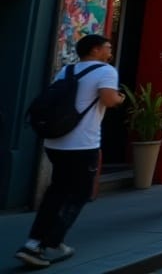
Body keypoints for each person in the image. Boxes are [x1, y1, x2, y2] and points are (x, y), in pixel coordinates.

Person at [15, 34, 123, 268]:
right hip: (83, 143)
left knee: (57, 191)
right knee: (79, 194)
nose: (110, 51)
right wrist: (119, 98)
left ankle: (34, 241)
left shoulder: (67, 71)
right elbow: (108, 99)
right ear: (95, 50)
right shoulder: (106, 71)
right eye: (107, 47)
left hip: (55, 143)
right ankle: (48, 243)